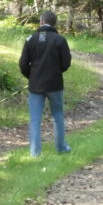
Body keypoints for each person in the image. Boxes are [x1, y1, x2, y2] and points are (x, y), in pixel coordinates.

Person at [19, 11, 72, 157]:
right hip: (55, 84)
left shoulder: (30, 39)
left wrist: (32, 76)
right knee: (58, 116)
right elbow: (66, 63)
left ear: (41, 21)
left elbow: (23, 64)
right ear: (54, 23)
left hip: (35, 86)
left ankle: (35, 153)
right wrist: (56, 72)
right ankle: (61, 148)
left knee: (35, 119)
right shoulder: (60, 40)